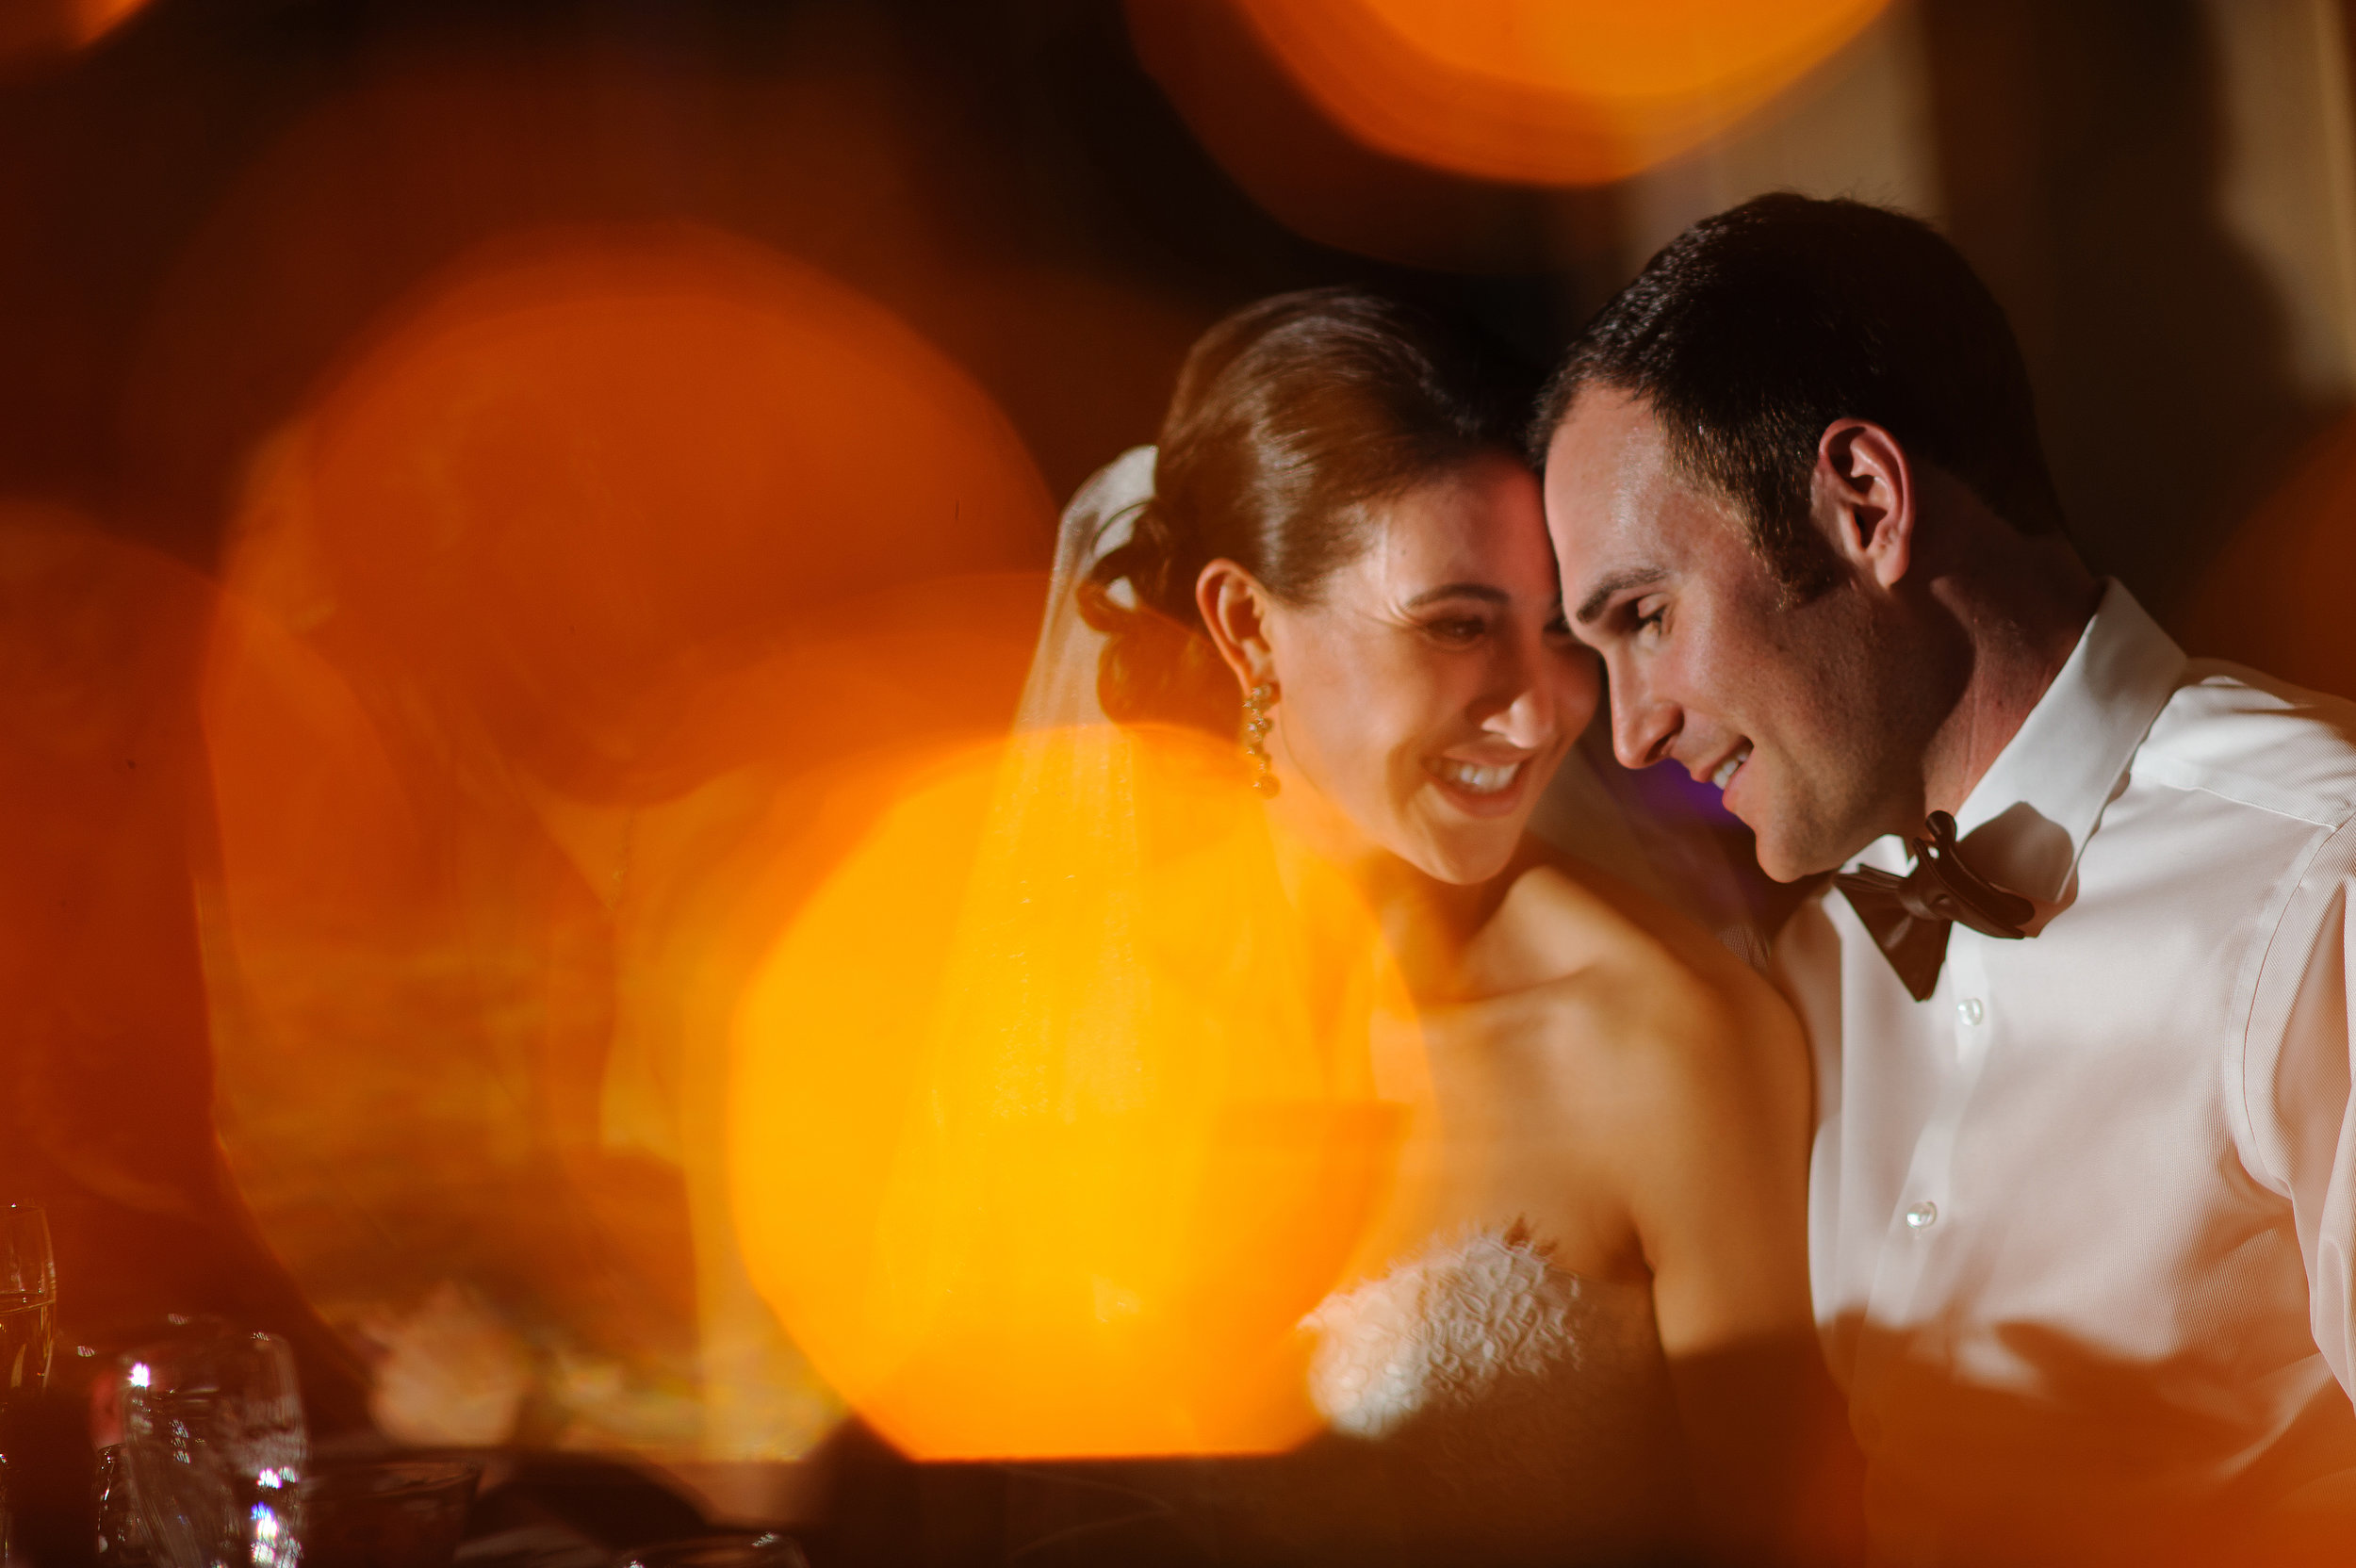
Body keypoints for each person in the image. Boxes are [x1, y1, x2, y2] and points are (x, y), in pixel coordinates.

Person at [1537, 192, 2356, 1564]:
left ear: (1865, 503)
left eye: (1647, 616)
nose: (1629, 730)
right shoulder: (1805, 973)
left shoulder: (2318, 878)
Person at [1045, 287, 1832, 1563]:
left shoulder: (1659, 1044)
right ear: (1249, 628)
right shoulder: (1086, 1020)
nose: (1543, 715)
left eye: (1562, 633)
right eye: (1458, 627)